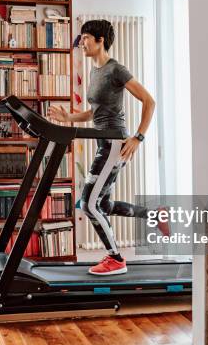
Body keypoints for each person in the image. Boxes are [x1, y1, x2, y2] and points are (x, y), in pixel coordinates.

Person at [48, 19, 166, 276]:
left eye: (86, 37)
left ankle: (115, 259)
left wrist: (138, 137)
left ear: (101, 40)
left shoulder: (116, 70)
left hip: (115, 143)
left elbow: (149, 101)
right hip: (104, 143)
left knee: (88, 204)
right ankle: (156, 215)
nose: (82, 42)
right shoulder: (94, 72)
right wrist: (68, 118)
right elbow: (94, 112)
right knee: (103, 205)